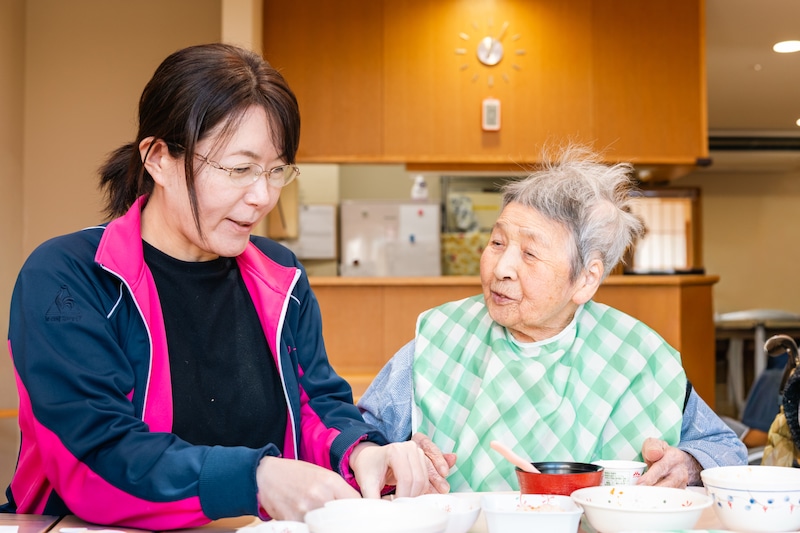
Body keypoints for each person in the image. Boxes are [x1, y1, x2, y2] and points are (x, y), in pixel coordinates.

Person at [1, 43, 430, 529]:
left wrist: (361, 452)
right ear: (158, 158)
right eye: (240, 169)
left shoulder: (280, 276)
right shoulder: (70, 276)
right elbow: (95, 454)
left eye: (275, 171)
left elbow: (316, 404)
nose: (263, 196)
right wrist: (256, 478)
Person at [358, 145, 748, 493]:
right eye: (497, 242)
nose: (501, 268)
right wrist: (391, 453)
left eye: (529, 254)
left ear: (585, 279)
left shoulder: (639, 357)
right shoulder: (442, 336)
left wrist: (688, 464)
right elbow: (357, 435)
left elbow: (726, 449)